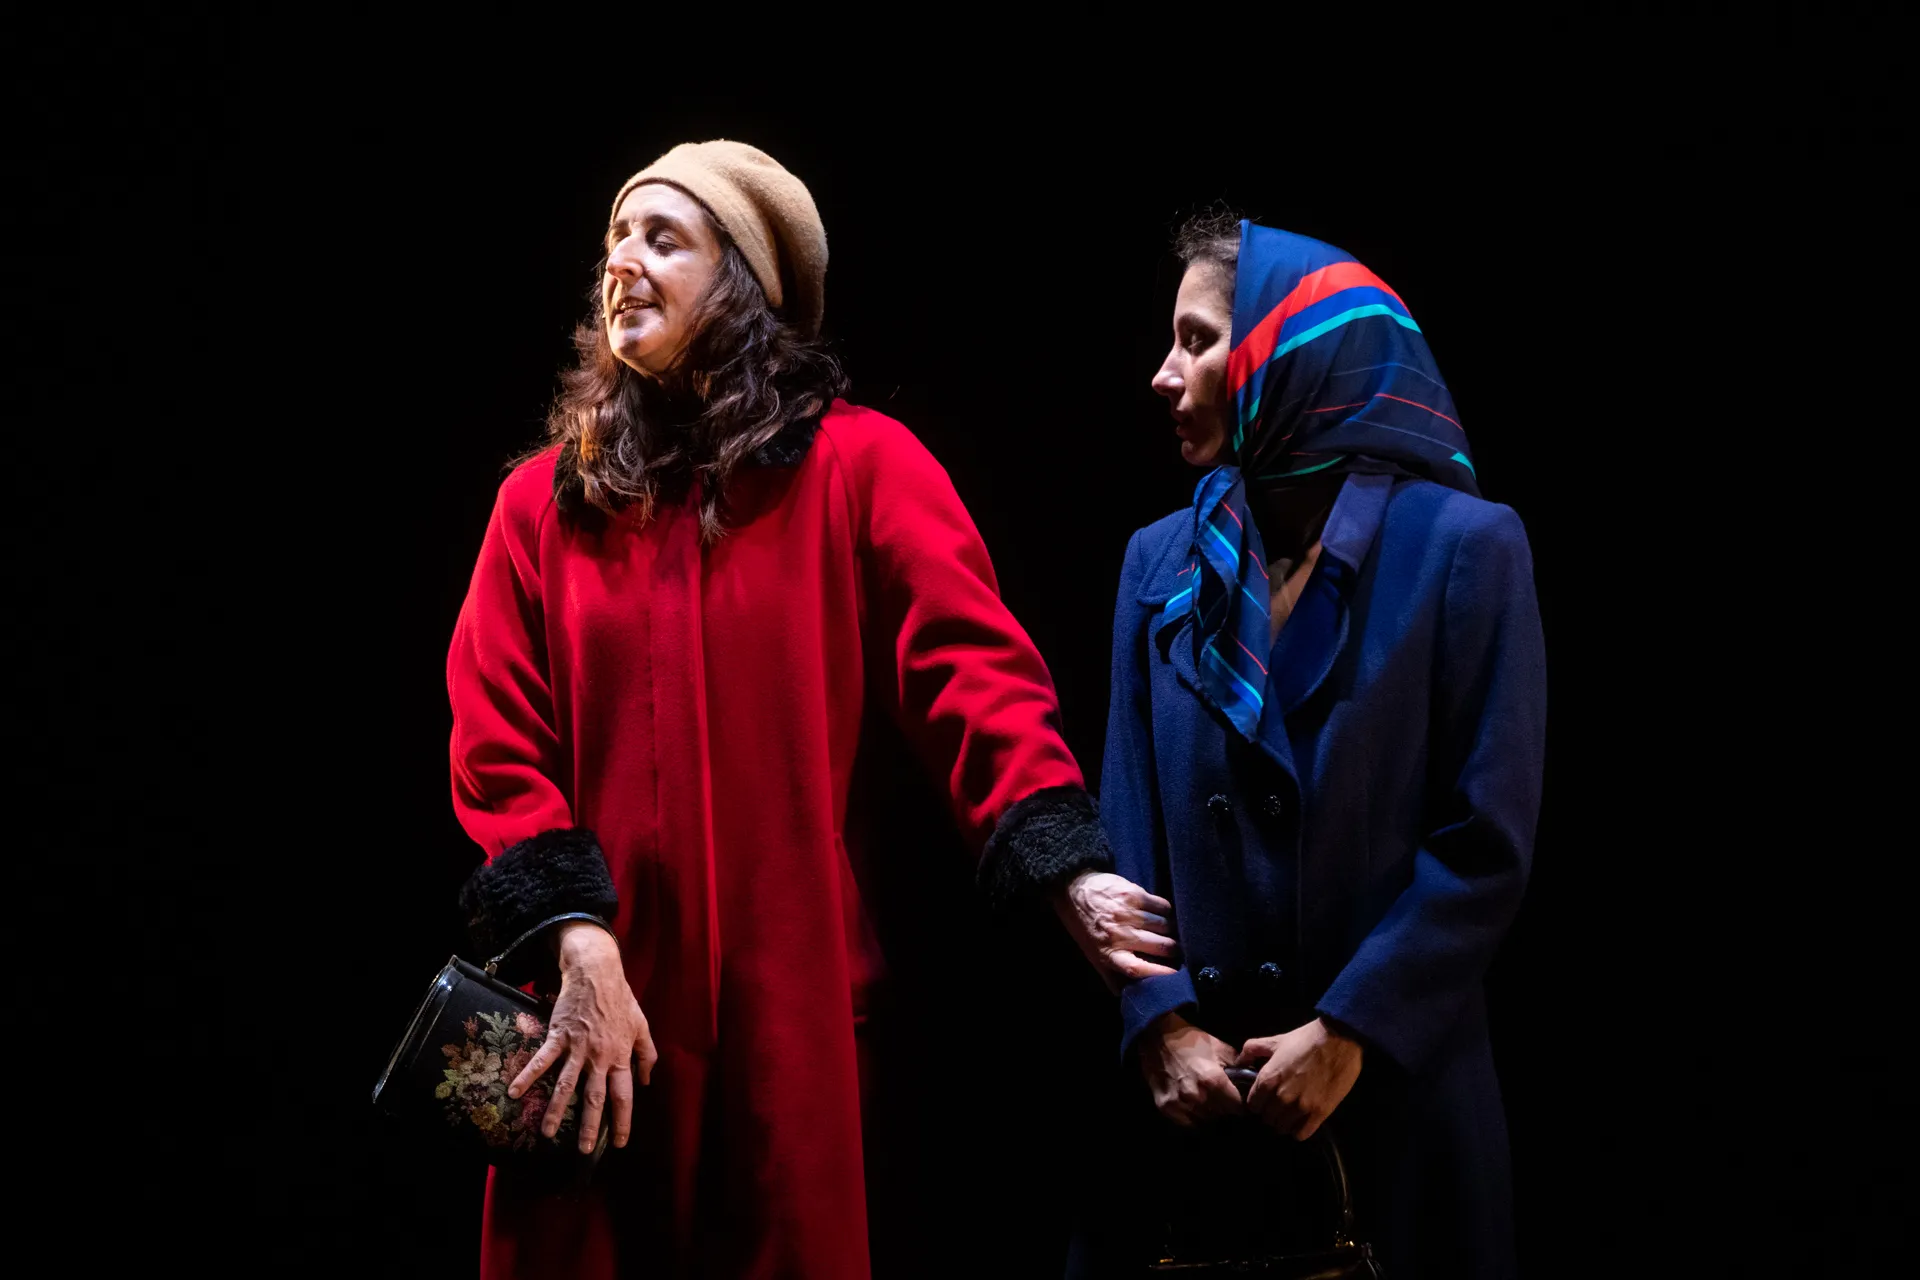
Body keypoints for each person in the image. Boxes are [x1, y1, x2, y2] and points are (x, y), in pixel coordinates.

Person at [445, 141, 1174, 1280]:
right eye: (612, 245)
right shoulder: (540, 504)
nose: (621, 265)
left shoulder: (859, 469)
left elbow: (975, 678)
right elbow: (497, 738)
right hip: (592, 1016)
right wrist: (577, 940)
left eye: (661, 240)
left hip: (791, 1027)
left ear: (745, 279)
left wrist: (1061, 859)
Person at [1075, 211, 1546, 1278]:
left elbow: (1486, 843)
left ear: (1296, 351)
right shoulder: (1160, 561)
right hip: (1191, 1112)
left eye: (1197, 340)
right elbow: (1126, 833)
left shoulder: (1463, 548)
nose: (1162, 372)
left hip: (1394, 1106)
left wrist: (1349, 1031)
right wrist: (1159, 1024)